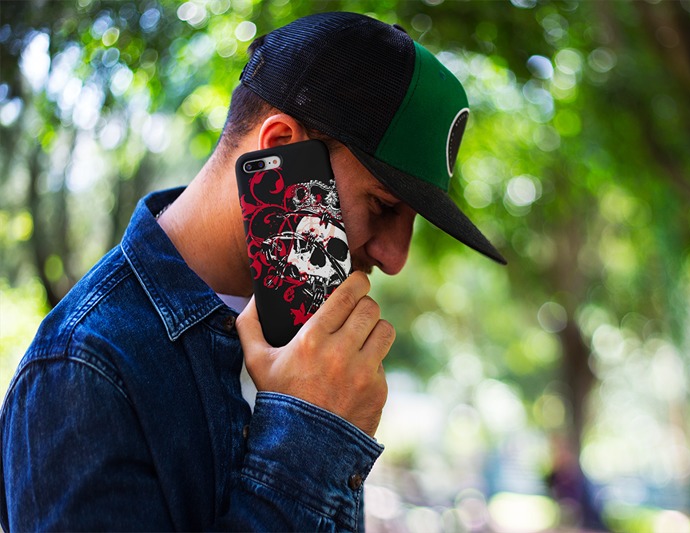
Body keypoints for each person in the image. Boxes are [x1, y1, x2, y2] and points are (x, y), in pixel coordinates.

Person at [0, 11, 505, 531]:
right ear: (281, 147)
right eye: (382, 205)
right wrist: (310, 433)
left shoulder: (308, 343)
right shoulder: (82, 369)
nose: (395, 258)